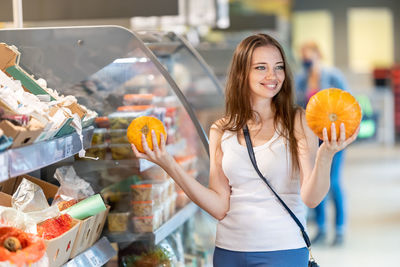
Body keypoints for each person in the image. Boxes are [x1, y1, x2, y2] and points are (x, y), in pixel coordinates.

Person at [131, 34, 359, 267]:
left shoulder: (298, 120)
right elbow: (219, 206)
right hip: (229, 252)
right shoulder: (221, 129)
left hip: (282, 251)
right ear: (242, 73)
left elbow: (311, 198)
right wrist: (167, 162)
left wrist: (326, 154)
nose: (272, 76)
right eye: (261, 67)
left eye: (278, 67)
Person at [295, 41, 350, 246]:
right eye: (303, 55)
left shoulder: (333, 76)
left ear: (317, 54)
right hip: (312, 137)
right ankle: (321, 227)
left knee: (333, 182)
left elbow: (348, 102)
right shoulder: (302, 79)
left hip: (334, 137)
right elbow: (297, 106)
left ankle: (340, 229)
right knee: (314, 180)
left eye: (308, 55)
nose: (305, 59)